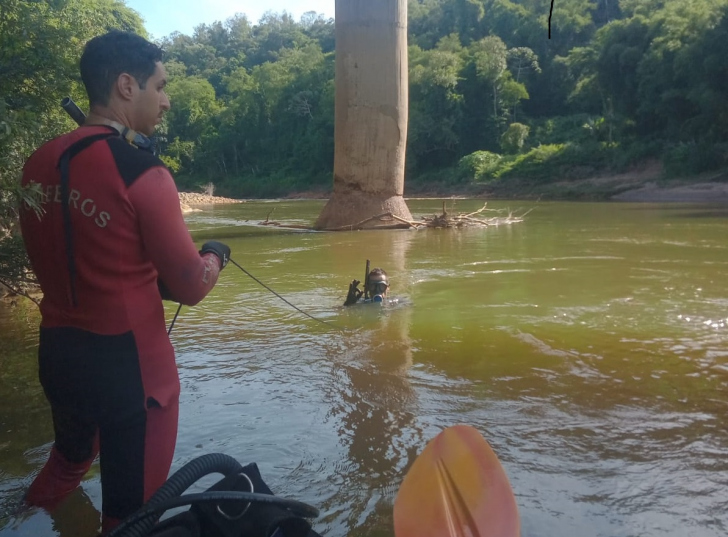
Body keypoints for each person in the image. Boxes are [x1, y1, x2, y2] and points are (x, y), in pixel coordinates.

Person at [18, 31, 230, 533]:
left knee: (66, 466)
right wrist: (216, 253)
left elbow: (85, 254)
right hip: (132, 374)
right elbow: (192, 286)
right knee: (132, 517)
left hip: (59, 353)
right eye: (160, 85)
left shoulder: (37, 163)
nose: (167, 99)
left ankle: (21, 520)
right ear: (126, 86)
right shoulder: (145, 173)